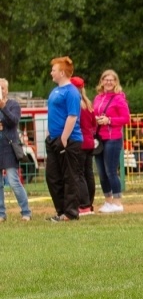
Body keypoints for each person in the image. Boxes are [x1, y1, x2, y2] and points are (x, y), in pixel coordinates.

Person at [45, 56, 83, 221]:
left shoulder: (72, 92)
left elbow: (72, 116)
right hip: (53, 138)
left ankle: (71, 212)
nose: (51, 72)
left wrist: (64, 138)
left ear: (61, 72)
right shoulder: (55, 91)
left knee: (69, 176)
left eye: (53, 70)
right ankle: (61, 210)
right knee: (52, 176)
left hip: (68, 140)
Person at [93, 69, 131, 213]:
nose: (108, 82)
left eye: (111, 80)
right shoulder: (97, 98)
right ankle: (108, 201)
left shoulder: (119, 98)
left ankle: (117, 202)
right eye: (105, 79)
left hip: (113, 138)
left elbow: (126, 118)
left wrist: (109, 120)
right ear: (101, 81)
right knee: (101, 172)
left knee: (111, 171)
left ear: (116, 82)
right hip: (99, 138)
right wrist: (95, 120)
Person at [0, 78, 32, 222]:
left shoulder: (13, 104)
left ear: (7, 90)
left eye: (2, 88)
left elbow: (13, 121)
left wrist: (3, 107)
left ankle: (26, 211)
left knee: (13, 181)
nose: (0, 91)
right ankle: (1, 213)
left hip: (9, 147)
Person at [70, 76, 97, 216]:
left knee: (79, 174)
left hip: (79, 142)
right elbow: (94, 124)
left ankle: (84, 204)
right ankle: (90, 203)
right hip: (90, 142)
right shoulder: (88, 104)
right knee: (88, 173)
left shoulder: (75, 104)